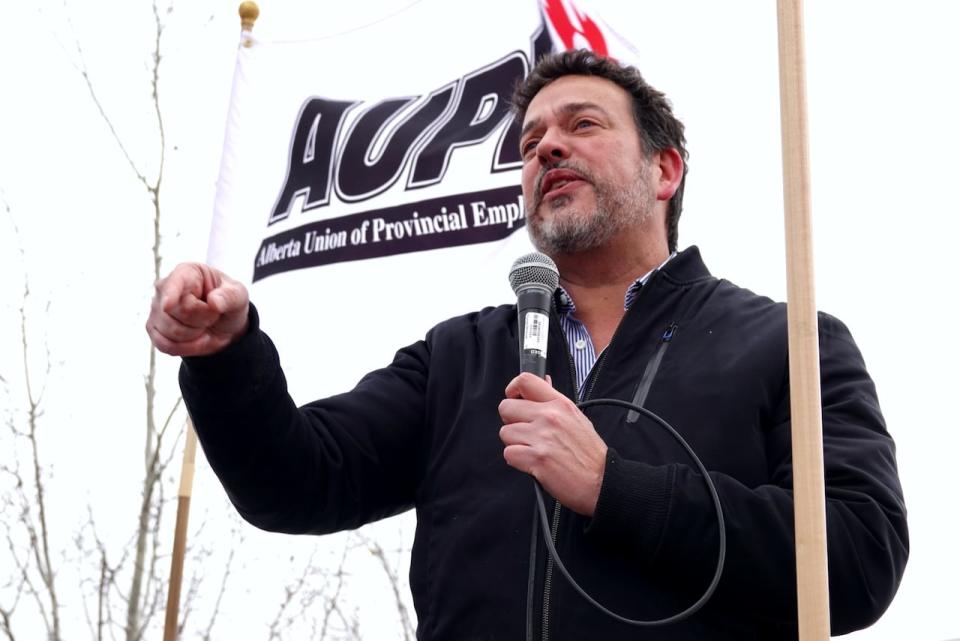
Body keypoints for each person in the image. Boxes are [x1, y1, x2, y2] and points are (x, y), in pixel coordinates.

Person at [147, 50, 908, 639]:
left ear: (665, 169)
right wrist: (226, 354)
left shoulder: (788, 344)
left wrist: (618, 487)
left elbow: (856, 555)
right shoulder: (457, 360)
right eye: (531, 140)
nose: (546, 149)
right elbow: (296, 481)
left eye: (582, 125)